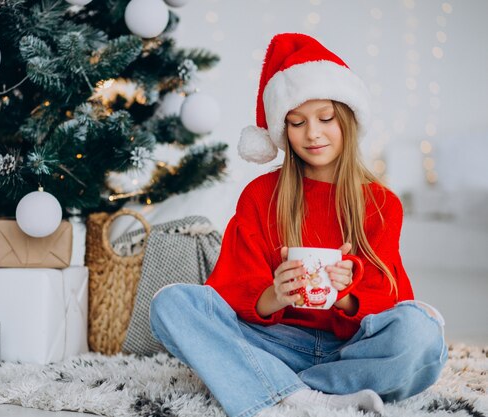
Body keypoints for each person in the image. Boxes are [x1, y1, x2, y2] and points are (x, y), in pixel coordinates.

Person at [149, 33, 447, 417]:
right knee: (171, 304)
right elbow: (230, 290)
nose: (313, 133)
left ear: (348, 121)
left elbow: (389, 300)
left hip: (352, 349)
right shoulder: (260, 195)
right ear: (282, 130)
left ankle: (273, 387)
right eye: (296, 122)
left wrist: (343, 293)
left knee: (421, 331)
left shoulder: (381, 203)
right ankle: (315, 394)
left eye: (325, 118)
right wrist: (277, 294)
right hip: (274, 342)